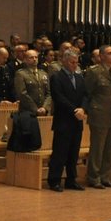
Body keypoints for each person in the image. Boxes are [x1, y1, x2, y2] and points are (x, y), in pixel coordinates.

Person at [46, 48, 87, 192]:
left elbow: (85, 96)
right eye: (71, 62)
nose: (74, 65)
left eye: (76, 62)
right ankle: (54, 180)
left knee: (73, 153)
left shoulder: (80, 78)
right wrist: (74, 110)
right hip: (63, 120)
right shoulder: (57, 77)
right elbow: (58, 97)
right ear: (64, 61)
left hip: (77, 120)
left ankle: (71, 180)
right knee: (60, 152)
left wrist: (82, 108)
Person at [83, 46, 111, 188]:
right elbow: (88, 92)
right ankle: (93, 177)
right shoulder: (94, 72)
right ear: (101, 56)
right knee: (97, 148)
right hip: (99, 113)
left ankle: (105, 176)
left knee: (110, 148)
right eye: (109, 53)